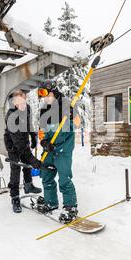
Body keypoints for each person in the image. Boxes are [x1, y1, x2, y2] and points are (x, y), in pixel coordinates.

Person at [37, 80, 78, 223]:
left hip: (63, 149)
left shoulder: (67, 105)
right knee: (46, 175)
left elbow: (77, 124)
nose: (43, 98)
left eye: (44, 94)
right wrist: (44, 142)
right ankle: (51, 202)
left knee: (64, 178)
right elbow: (42, 131)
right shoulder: (44, 109)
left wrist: (72, 115)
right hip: (50, 148)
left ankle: (70, 207)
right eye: (41, 95)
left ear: (53, 91)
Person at [4, 89, 42, 213]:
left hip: (23, 139)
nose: (23, 104)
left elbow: (29, 124)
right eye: (19, 101)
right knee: (16, 169)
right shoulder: (11, 115)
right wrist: (31, 158)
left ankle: (28, 185)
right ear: (14, 103)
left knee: (27, 164)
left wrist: (33, 136)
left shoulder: (28, 108)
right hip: (13, 144)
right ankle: (14, 197)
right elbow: (17, 141)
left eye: (24, 100)